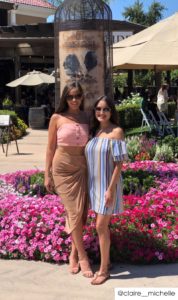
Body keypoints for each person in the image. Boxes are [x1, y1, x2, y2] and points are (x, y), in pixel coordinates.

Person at [44, 81, 93, 278]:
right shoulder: (57, 118)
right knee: (73, 212)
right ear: (65, 98)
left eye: (77, 96)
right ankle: (83, 257)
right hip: (62, 169)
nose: (74, 100)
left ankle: (72, 254)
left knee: (81, 213)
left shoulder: (87, 116)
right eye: (70, 96)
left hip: (82, 167)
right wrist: (47, 174)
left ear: (82, 98)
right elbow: (50, 148)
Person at [85, 96, 127, 285]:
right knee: (101, 227)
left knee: (100, 226)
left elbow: (119, 164)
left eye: (106, 109)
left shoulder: (116, 132)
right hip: (94, 186)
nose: (101, 112)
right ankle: (107, 262)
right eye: (98, 109)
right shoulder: (95, 131)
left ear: (112, 111)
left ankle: (103, 271)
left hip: (108, 187)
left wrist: (110, 189)